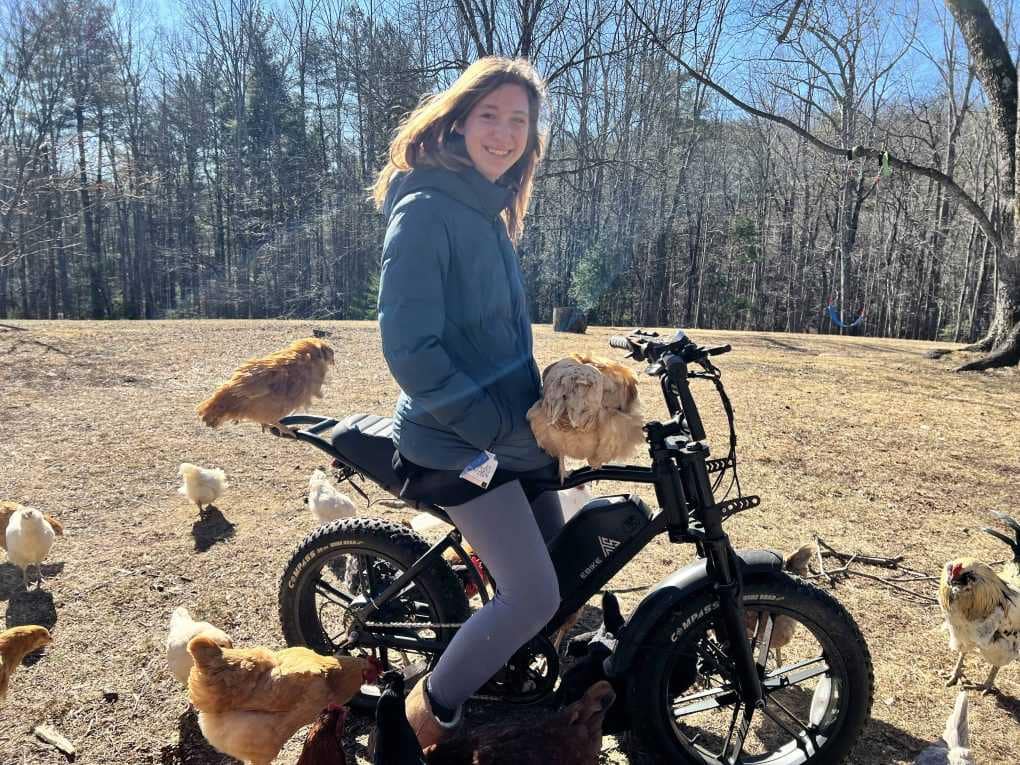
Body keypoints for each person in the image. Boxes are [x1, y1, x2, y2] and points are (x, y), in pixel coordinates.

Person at [373, 57, 564, 749]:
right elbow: (409, 346)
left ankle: (510, 655)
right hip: (455, 440)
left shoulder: (489, 211)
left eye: (519, 120)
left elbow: (495, 341)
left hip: (507, 432)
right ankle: (428, 715)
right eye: (491, 115)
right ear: (458, 121)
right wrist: (491, 431)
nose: (505, 132)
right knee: (534, 593)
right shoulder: (428, 209)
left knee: (562, 551)